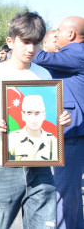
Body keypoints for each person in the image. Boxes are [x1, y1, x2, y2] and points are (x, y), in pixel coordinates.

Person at [0, 11, 71, 228]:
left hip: (40, 164)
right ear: (10, 41)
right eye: (25, 42)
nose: (31, 49)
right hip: (2, 166)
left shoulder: (44, 75)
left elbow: (49, 114)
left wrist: (60, 119)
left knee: (44, 223)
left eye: (36, 42)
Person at [32, 16, 84, 229]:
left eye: (59, 32)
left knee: (63, 191)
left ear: (71, 35)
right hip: (71, 129)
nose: (56, 35)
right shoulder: (72, 55)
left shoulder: (76, 52)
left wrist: (25, 36)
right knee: (70, 191)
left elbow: (40, 57)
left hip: (72, 131)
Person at [8, 95, 57, 161]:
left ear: (44, 115)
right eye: (29, 113)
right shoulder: (11, 138)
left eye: (37, 113)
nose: (33, 118)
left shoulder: (52, 141)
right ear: (23, 115)